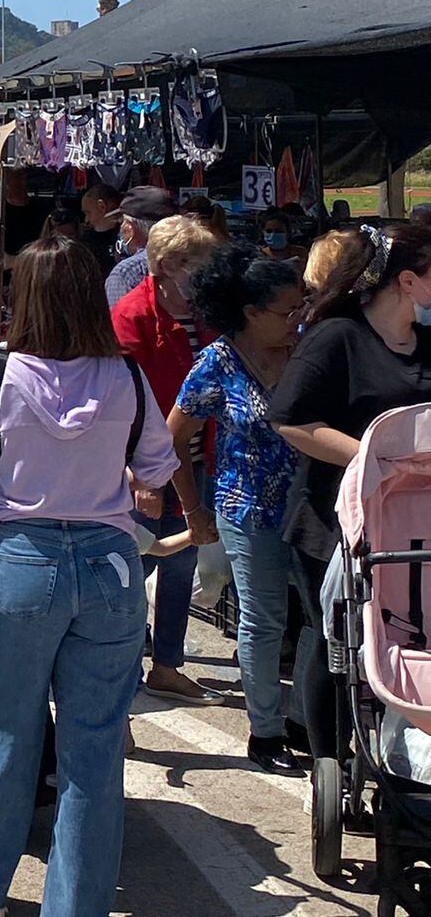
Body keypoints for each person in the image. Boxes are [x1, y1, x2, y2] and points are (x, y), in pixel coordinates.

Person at [0, 237, 180, 917]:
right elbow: (157, 466)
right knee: (94, 743)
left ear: (23, 297)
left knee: (5, 725)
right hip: (108, 564)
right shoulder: (126, 376)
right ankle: (80, 914)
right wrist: (116, 477)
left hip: (24, 561)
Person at [273, 222, 431, 764]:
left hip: (414, 520)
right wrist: (372, 457)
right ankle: (331, 762)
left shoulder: (426, 342)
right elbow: (291, 420)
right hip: (334, 522)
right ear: (408, 282)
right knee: (334, 635)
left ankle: (400, 752)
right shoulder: (337, 337)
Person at [171, 242, 308, 773]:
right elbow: (172, 439)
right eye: (287, 311)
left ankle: (310, 718)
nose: (298, 318)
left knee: (325, 619)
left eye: (302, 306)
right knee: (263, 621)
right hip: (249, 510)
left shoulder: (308, 351)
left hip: (314, 509)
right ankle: (266, 731)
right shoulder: (217, 362)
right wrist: (192, 509)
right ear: (250, 313)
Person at [111, 214, 223, 705]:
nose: (202, 272)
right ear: (163, 264)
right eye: (192, 263)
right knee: (133, 570)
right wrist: (140, 477)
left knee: (183, 563)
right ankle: (125, 674)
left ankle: (168, 665)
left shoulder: (205, 312)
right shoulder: (132, 316)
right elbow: (121, 402)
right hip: (149, 465)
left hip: (197, 458)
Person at [103, 186, 177, 308]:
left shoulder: (125, 273)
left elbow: (121, 324)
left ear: (130, 228)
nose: (120, 229)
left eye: (122, 222)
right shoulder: (195, 259)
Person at [0, 170, 49, 265]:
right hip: (5, 274)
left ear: (22, 180)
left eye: (8, 180)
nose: (3, 185)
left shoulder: (42, 211)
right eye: (1, 180)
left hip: (36, 267)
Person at [80, 182, 123, 274]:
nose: (86, 220)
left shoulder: (128, 236)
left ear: (102, 206)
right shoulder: (86, 241)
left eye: (88, 213)